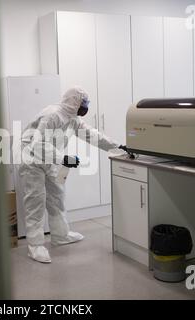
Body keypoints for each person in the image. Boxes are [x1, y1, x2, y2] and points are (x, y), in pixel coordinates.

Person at [18, 86, 120, 263]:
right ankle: (35, 246)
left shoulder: (73, 119)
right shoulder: (53, 115)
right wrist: (64, 158)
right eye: (83, 103)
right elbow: (38, 144)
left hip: (50, 159)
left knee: (57, 196)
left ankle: (60, 235)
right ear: (74, 101)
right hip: (32, 159)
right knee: (35, 200)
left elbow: (92, 135)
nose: (85, 107)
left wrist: (117, 147)